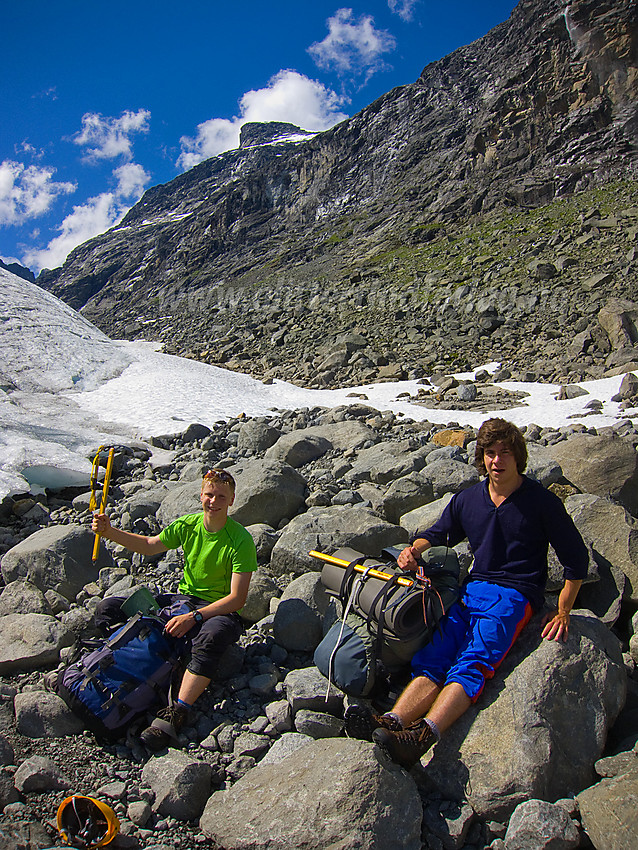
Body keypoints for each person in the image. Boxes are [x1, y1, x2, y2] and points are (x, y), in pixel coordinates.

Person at [345, 418, 589, 769]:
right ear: (481, 458)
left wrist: (564, 608)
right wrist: (414, 549)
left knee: (472, 662)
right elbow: (441, 532)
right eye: (490, 453)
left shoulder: (542, 502)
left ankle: (422, 737)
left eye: (505, 452)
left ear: (518, 456)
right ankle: (392, 722)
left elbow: (575, 559)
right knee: (434, 656)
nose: (497, 461)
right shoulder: (468, 499)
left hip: (514, 597)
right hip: (472, 591)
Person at [92, 468, 257, 751]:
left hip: (218, 610)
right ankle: (118, 661)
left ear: (231, 500)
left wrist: (194, 617)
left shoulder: (240, 540)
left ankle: (177, 712)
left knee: (210, 637)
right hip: (182, 600)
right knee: (110, 608)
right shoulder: (189, 525)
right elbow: (148, 545)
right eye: (209, 494)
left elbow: (237, 599)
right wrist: (109, 532)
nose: (213, 501)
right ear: (200, 496)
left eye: (221, 496)